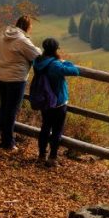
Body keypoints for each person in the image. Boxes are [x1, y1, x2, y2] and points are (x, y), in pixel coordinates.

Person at [0, 15, 41, 151]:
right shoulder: (22, 40)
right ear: (27, 27)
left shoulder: (4, 36)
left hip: (2, 77)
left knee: (4, 107)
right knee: (11, 111)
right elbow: (36, 55)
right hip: (16, 79)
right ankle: (8, 142)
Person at [32, 38, 79, 167]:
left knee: (45, 127)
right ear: (56, 49)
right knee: (57, 130)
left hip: (44, 100)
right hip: (58, 102)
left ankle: (41, 155)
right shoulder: (55, 65)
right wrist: (66, 62)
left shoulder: (38, 61)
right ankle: (52, 157)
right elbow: (75, 71)